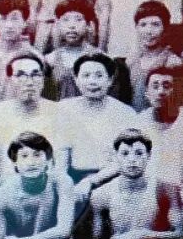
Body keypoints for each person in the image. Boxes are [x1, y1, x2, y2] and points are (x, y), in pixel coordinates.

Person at [0, 54, 65, 207]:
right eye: (20, 75)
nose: (29, 82)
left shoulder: (58, 112)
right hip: (7, 195)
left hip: (47, 195)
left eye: (35, 75)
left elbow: (61, 167)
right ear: (9, 80)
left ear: (43, 79)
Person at [57, 53, 140, 199]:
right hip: (73, 179)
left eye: (99, 76)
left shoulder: (125, 113)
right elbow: (61, 155)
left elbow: (128, 157)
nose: (92, 81)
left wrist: (91, 181)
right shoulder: (63, 109)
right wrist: (64, 185)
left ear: (110, 80)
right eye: (86, 75)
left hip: (113, 179)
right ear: (76, 79)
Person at [136, 66, 183, 205]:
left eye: (167, 86)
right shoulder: (138, 122)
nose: (161, 92)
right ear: (147, 92)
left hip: (181, 196)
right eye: (155, 86)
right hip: (145, 198)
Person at [122, 0, 183, 114]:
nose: (149, 31)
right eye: (143, 25)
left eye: (155, 24)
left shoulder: (173, 62)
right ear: (136, 27)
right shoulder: (131, 60)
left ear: (165, 28)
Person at [43, 0, 99, 101]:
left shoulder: (99, 58)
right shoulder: (50, 59)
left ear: (88, 25)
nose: (72, 26)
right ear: (58, 24)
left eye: (78, 20)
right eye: (66, 20)